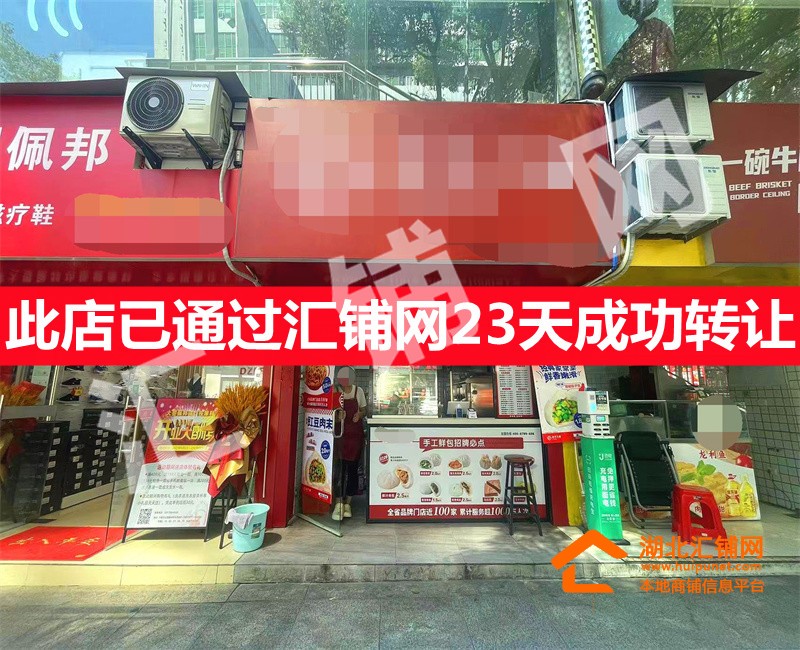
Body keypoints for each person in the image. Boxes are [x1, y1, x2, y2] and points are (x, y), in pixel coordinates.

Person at [332, 366, 366, 521]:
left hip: (355, 437)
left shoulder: (358, 391)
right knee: (339, 470)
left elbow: (364, 410)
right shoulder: (335, 390)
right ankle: (338, 503)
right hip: (339, 436)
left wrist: (360, 414)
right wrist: (337, 416)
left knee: (352, 470)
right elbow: (329, 411)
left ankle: (348, 504)